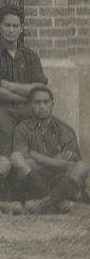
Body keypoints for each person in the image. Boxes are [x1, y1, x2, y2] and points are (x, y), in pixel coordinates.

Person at [0, 6, 48, 157]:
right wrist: (26, 95)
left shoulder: (30, 56)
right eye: (7, 25)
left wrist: (7, 85)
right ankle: (4, 174)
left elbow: (40, 90)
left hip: (26, 107)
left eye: (15, 26)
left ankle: (33, 173)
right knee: (6, 131)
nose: (11, 30)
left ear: (22, 28)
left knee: (41, 126)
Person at [10, 86, 89, 214]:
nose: (42, 106)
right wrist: (56, 160)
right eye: (37, 102)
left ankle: (45, 203)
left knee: (82, 166)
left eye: (45, 102)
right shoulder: (22, 128)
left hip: (59, 181)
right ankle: (58, 202)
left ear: (52, 104)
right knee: (16, 159)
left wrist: (35, 156)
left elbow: (71, 165)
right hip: (33, 182)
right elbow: (21, 159)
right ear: (30, 105)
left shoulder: (65, 130)